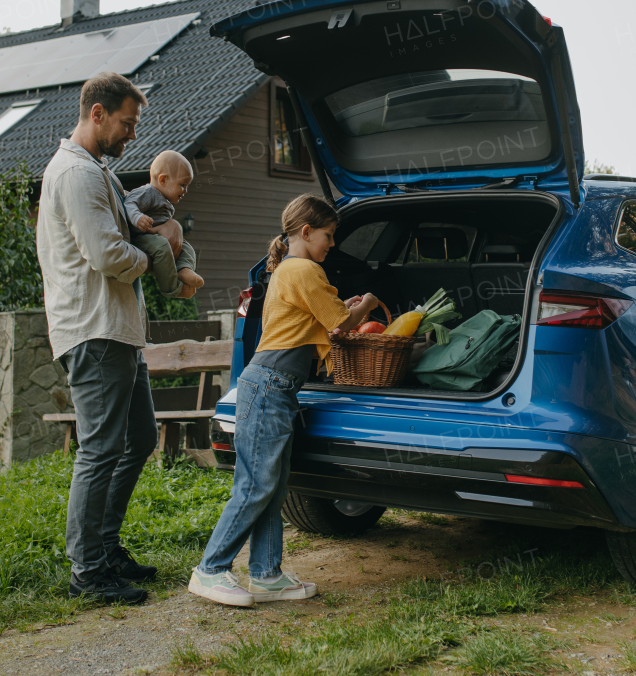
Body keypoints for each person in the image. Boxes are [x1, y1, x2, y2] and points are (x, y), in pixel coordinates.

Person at [189, 194, 380, 607]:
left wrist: (342, 308)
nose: (333, 244)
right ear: (306, 232)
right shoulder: (306, 269)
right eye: (329, 235)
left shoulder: (291, 270)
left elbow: (318, 314)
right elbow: (341, 324)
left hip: (273, 386)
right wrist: (366, 304)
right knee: (255, 485)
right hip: (270, 386)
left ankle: (266, 574)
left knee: (272, 488)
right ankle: (210, 570)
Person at [36, 71, 159, 605]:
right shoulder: (75, 175)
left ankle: (106, 549)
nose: (132, 134)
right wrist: (156, 259)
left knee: (140, 440)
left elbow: (127, 218)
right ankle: (88, 570)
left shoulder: (99, 172)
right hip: (95, 330)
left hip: (118, 330)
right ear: (98, 113)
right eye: (127, 124)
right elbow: (109, 255)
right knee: (101, 450)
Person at [125, 150, 204, 299]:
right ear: (163, 180)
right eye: (182, 185)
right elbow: (129, 202)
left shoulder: (164, 199)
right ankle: (172, 289)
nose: (186, 190)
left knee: (187, 248)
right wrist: (138, 217)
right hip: (143, 236)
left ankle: (183, 269)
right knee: (162, 247)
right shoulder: (148, 192)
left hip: (157, 237)